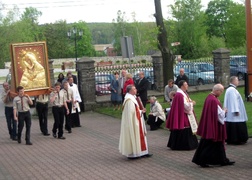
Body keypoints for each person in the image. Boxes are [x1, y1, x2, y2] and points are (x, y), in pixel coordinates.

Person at [192, 84, 235, 167]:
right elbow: (219, 114)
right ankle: (202, 160)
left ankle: (222, 160)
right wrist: (225, 111)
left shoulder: (209, 97)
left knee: (216, 144)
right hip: (214, 126)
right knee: (210, 143)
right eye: (221, 91)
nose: (221, 93)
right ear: (217, 90)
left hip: (210, 124)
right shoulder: (213, 100)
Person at [119, 85, 152, 159]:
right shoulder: (129, 100)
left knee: (141, 136)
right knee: (135, 135)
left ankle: (143, 152)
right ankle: (134, 154)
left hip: (137, 120)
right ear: (130, 91)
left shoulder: (132, 98)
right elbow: (132, 113)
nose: (136, 90)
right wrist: (141, 111)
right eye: (134, 89)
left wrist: (140, 111)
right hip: (133, 122)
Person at [166, 80, 198, 150]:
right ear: (182, 86)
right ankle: (184, 145)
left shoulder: (183, 93)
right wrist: (192, 103)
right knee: (184, 126)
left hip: (183, 113)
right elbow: (185, 106)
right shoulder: (180, 95)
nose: (187, 86)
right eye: (186, 85)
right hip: (182, 114)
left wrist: (191, 102)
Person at [224, 76, 248, 145]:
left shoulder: (231, 89)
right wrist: (236, 110)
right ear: (233, 81)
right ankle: (236, 139)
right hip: (234, 113)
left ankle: (234, 139)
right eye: (237, 80)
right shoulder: (232, 90)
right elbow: (233, 101)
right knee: (236, 125)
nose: (238, 82)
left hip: (232, 113)